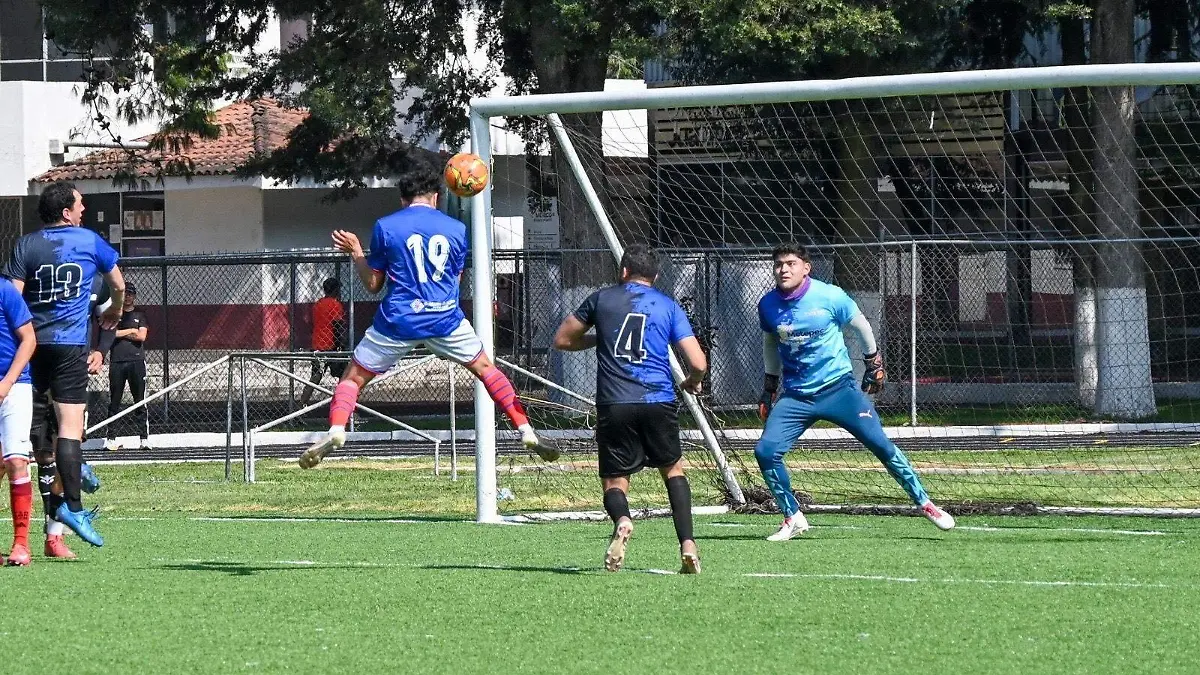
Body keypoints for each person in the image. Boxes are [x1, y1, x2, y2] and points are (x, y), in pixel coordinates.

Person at [299, 153, 555, 468]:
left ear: (402, 198)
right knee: (487, 370)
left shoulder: (386, 226)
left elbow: (373, 285)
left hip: (398, 320)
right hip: (445, 319)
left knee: (352, 380)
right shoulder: (456, 229)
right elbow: (456, 281)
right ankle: (525, 429)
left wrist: (356, 252)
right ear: (436, 196)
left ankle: (337, 430)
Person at [754, 243, 955, 541]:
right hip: (796, 396)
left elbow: (861, 325)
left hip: (839, 390)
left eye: (791, 263)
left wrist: (874, 363)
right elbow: (770, 344)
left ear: (806, 268)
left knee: (881, 445)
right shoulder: (768, 305)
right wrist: (770, 386)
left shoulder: (830, 295)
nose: (784, 269)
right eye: (779, 264)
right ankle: (793, 517)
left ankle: (925, 503)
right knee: (766, 452)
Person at [553, 244, 708, 574]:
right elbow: (698, 362)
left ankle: (623, 519)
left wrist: (600, 339)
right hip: (658, 400)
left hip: (615, 402)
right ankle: (688, 544)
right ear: (655, 276)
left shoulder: (600, 300)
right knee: (673, 470)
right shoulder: (667, 305)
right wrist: (693, 381)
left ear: (623, 271)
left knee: (614, 480)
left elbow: (563, 340)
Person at [3, 181, 124, 549]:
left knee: (37, 444)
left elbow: (12, 298)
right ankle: (72, 506)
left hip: (31, 349)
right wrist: (116, 311)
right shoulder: (89, 241)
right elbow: (118, 285)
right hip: (69, 346)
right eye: (80, 204)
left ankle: (45, 531)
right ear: (67, 212)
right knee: (69, 432)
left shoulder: (26, 245)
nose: (84, 209)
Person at [0, 280, 37, 565]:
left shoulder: (5, 290)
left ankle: (21, 545)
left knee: (15, 461)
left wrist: (7, 382)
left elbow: (29, 339)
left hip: (14, 386)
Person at [101, 281, 149, 450]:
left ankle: (144, 439)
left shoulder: (140, 315)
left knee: (140, 400)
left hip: (137, 361)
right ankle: (111, 438)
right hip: (117, 361)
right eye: (125, 293)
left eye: (130, 293)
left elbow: (141, 336)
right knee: (114, 400)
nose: (127, 296)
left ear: (134, 296)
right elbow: (111, 333)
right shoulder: (114, 313)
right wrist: (130, 331)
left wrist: (124, 333)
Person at [299, 278, 347, 407]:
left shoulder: (318, 304)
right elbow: (337, 325)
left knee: (315, 376)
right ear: (335, 290)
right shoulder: (335, 305)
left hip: (317, 344)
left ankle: (302, 404)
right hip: (331, 345)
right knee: (344, 376)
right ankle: (344, 404)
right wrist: (340, 345)